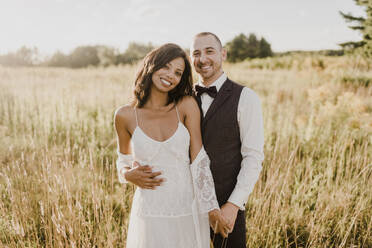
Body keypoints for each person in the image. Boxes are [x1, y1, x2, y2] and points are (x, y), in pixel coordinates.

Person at [114, 43, 229, 248]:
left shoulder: (185, 105)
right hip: (149, 211)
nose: (170, 75)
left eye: (178, 72)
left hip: (187, 208)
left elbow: (198, 158)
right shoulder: (124, 115)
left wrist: (211, 208)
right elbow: (123, 159)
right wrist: (126, 174)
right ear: (151, 65)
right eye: (165, 66)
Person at [190, 32, 264, 248]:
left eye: (209, 51)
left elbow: (253, 156)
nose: (202, 59)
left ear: (223, 54)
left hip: (227, 207)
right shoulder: (182, 97)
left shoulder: (246, 97)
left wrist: (233, 205)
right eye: (196, 53)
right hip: (187, 207)